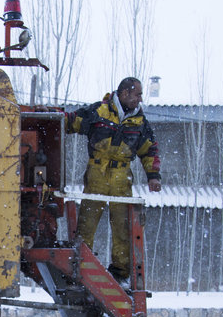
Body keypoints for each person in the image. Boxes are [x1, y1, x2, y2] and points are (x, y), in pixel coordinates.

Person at [67, 77, 162, 285]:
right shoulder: (98, 112)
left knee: (122, 226)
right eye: (137, 94)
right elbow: (71, 121)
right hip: (96, 174)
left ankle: (120, 273)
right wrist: (50, 117)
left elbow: (149, 150)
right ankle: (81, 265)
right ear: (125, 93)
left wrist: (153, 176)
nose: (140, 98)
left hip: (122, 177)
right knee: (87, 224)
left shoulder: (139, 122)